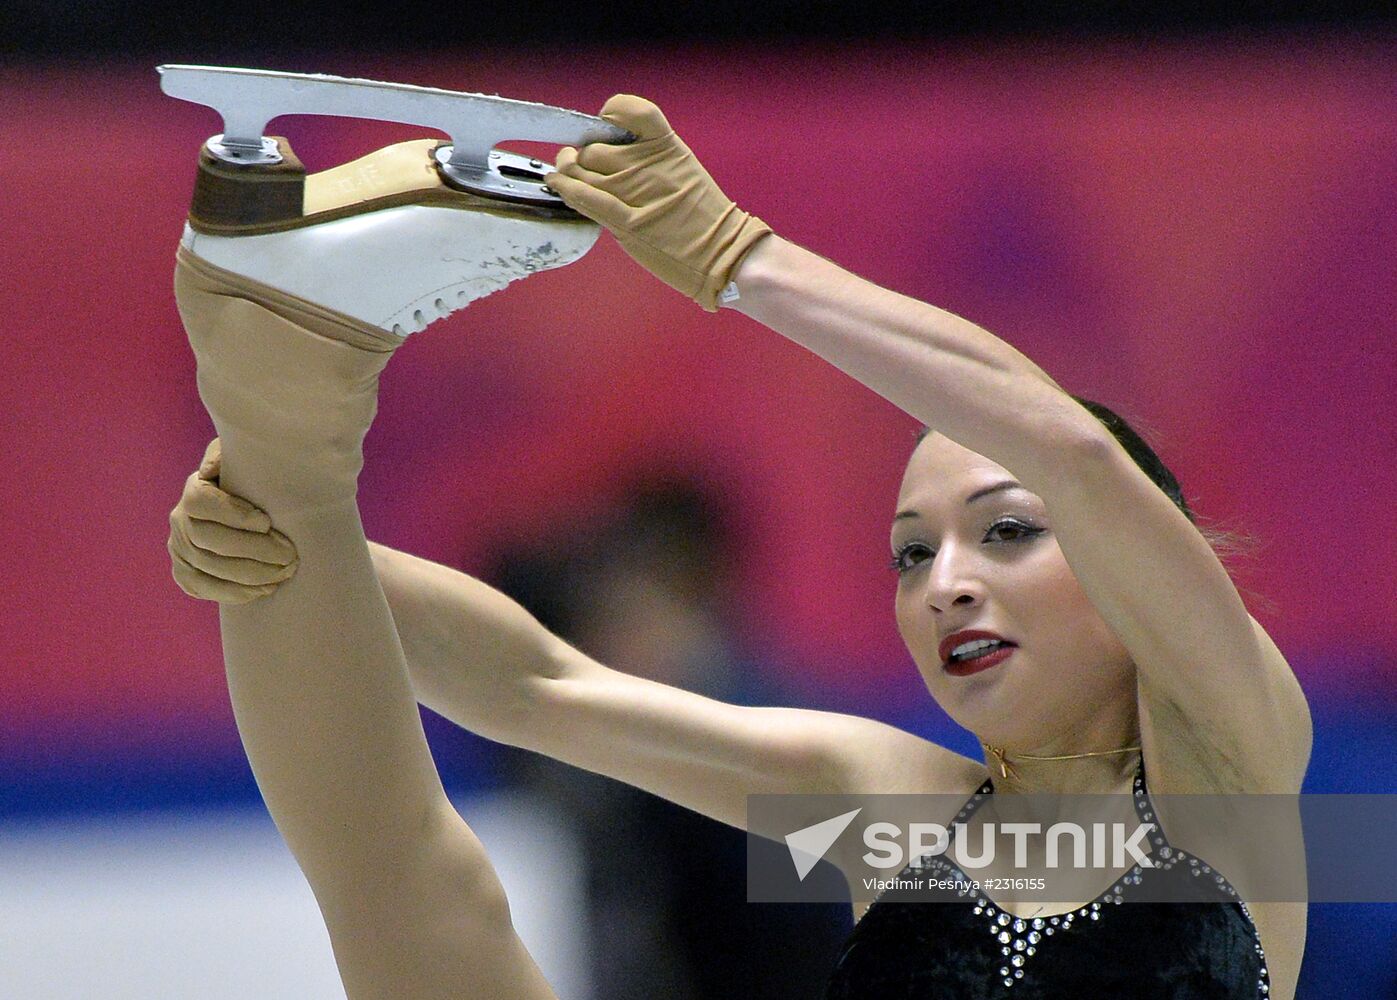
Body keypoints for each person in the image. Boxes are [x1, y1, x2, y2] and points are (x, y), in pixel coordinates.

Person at [167, 94, 1311, 998]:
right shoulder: (888, 806)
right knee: (421, 894)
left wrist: (735, 256)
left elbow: (1073, 452)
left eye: (1005, 532)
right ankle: (290, 402)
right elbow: (533, 683)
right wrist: (283, 524)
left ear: (1140, 567)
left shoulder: (1229, 766)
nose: (945, 584)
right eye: (910, 555)